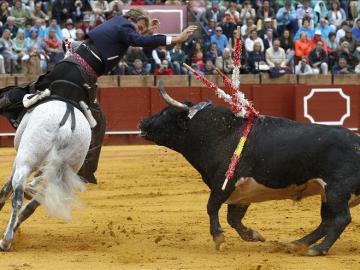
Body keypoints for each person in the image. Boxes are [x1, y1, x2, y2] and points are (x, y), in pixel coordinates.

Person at [0, 7, 197, 184]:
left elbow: (136, 37)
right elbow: (136, 39)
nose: (140, 31)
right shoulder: (124, 27)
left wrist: (147, 30)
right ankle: (83, 171)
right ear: (132, 20)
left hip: (67, 67)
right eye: (140, 26)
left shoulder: (117, 24)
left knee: (34, 89)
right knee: (98, 120)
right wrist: (175, 39)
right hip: (83, 76)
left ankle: (6, 101)